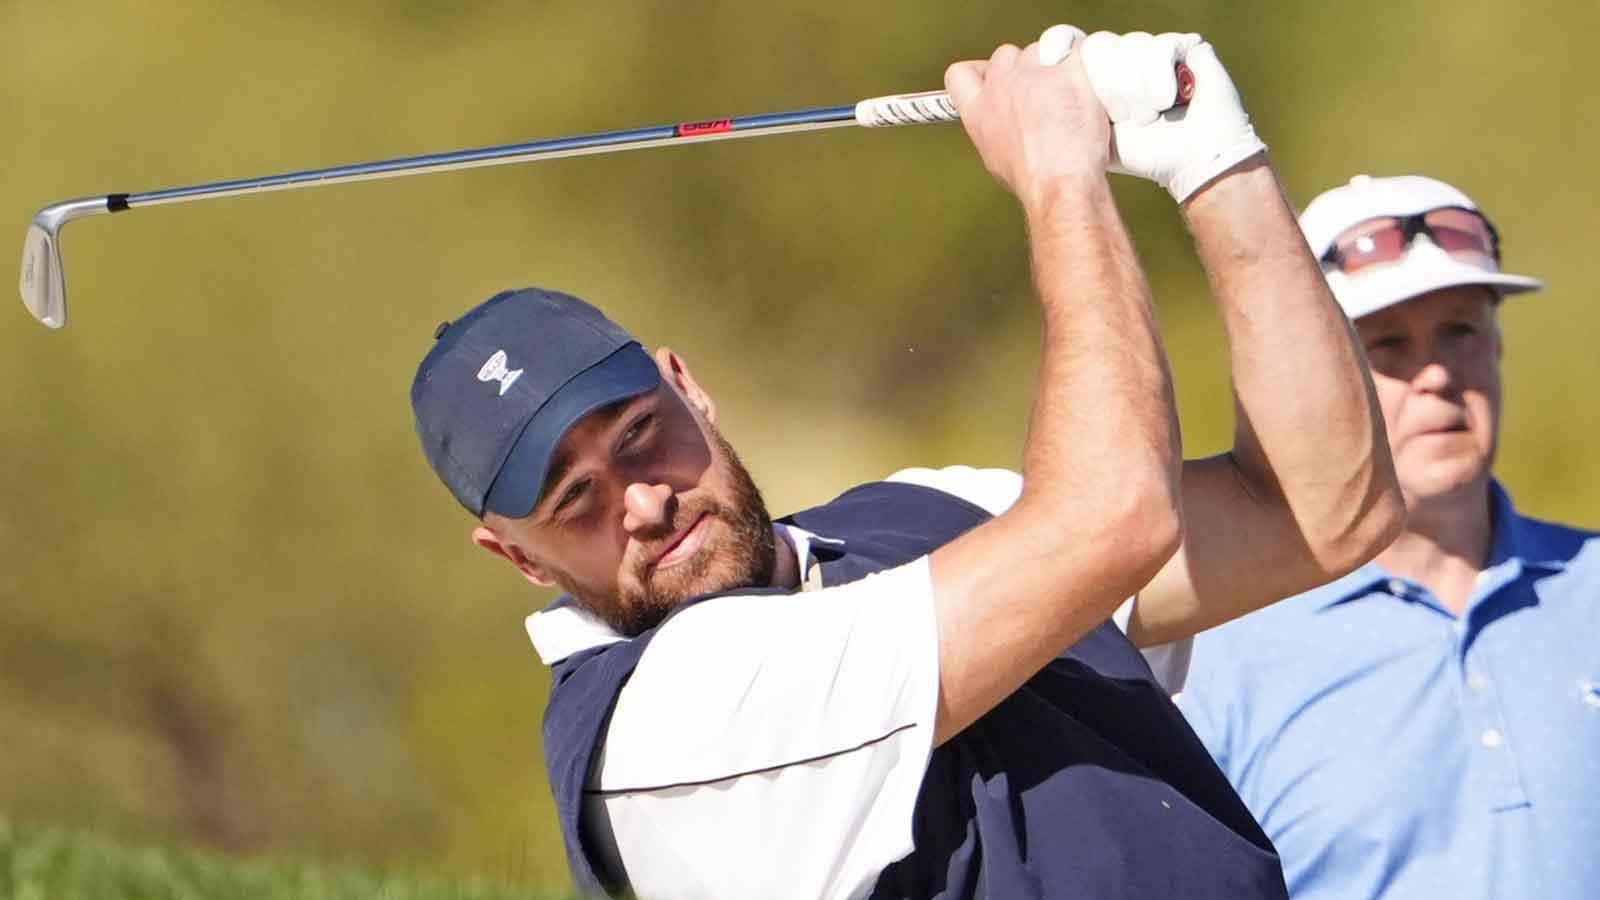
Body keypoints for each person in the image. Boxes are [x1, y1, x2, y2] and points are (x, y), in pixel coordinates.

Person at [409, 26, 1403, 900]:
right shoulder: (655, 731)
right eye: (574, 498)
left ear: (687, 386)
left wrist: (1215, 162)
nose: (645, 500)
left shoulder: (925, 511)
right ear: (519, 561)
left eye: (638, 434)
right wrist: (1058, 177)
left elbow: (1322, 513)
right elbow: (1113, 520)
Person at [1178, 174, 1600, 900]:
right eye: (1387, 345)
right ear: (1317, 381)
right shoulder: (1213, 656)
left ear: (1497, 347)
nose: (1436, 373)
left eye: (1460, 330)